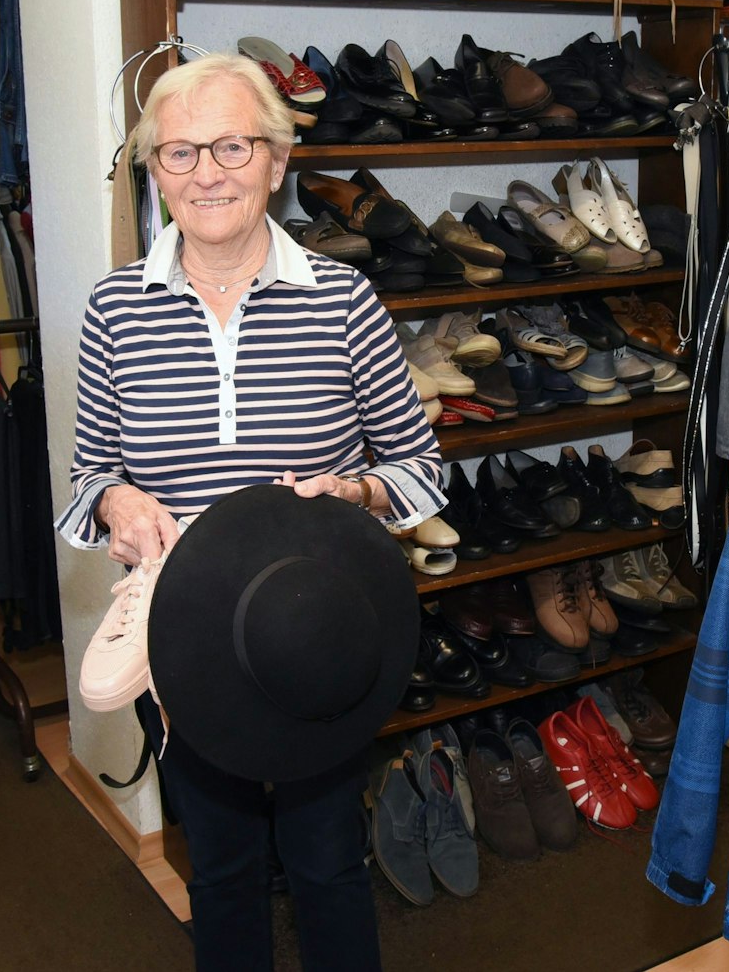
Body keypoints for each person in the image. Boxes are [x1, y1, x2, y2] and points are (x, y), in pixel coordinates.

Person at [56, 53, 444, 971]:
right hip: (185, 644)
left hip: (318, 638)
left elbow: (423, 468)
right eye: (179, 152)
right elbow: (83, 482)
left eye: (232, 146)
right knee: (222, 869)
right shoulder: (117, 308)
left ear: (276, 161)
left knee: (328, 862)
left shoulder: (345, 301)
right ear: (155, 172)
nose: (207, 173)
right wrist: (114, 499)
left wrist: (359, 494)